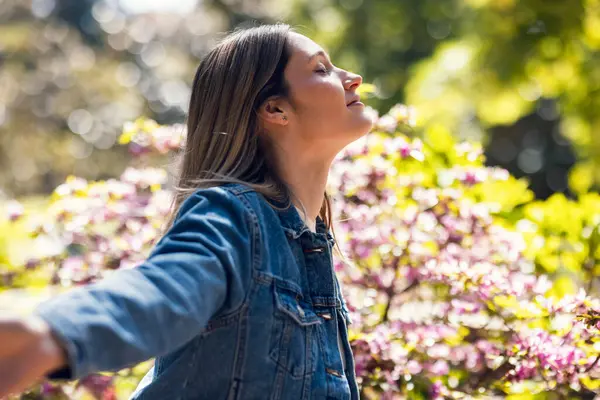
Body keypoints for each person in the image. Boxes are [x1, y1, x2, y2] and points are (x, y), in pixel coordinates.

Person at [0, 22, 373, 399]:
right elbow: (165, 291)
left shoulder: (310, 246)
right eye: (321, 69)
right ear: (275, 108)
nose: (353, 77)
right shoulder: (235, 216)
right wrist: (52, 335)